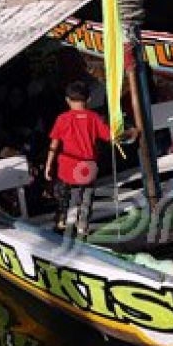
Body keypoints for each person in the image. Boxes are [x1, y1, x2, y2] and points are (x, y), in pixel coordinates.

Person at [44, 80, 136, 237]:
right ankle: (83, 226)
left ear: (67, 100)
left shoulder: (62, 119)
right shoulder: (94, 118)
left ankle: (61, 221)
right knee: (86, 197)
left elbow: (54, 144)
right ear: (89, 100)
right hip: (87, 167)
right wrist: (132, 132)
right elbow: (112, 137)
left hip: (67, 165)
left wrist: (48, 165)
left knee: (62, 195)